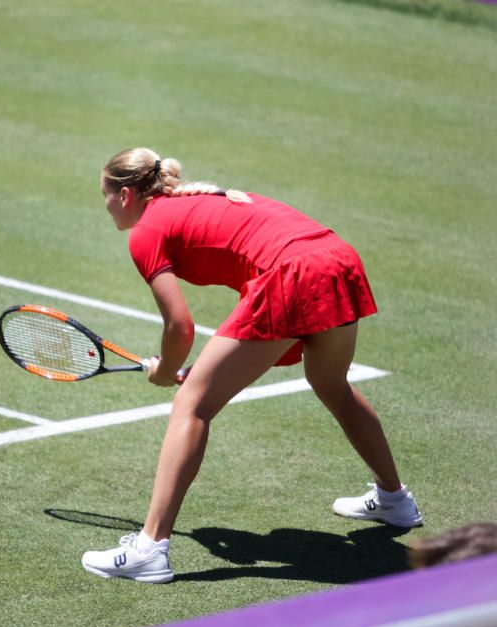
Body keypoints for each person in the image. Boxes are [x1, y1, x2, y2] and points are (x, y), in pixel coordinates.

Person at [81, 147, 422, 584]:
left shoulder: (145, 232)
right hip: (336, 258)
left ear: (126, 195)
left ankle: (149, 549)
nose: (106, 205)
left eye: (105, 195)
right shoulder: (196, 201)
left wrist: (167, 371)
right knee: (331, 385)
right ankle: (395, 501)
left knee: (192, 405)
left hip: (294, 271)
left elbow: (180, 327)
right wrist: (206, 368)